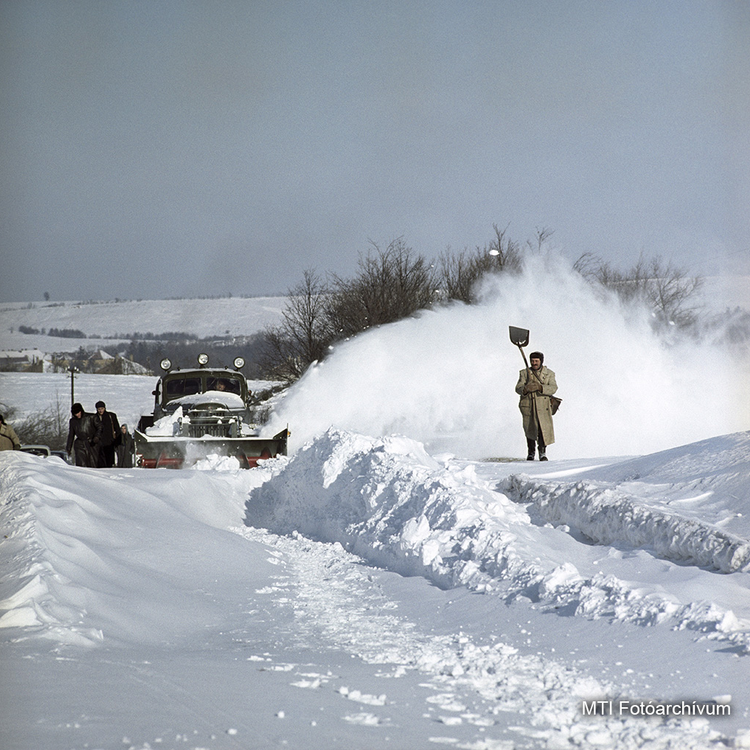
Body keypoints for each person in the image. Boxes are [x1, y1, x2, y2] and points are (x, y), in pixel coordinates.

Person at [514, 350, 558, 461]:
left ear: (541, 361)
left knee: (542, 430)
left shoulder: (549, 374)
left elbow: (553, 388)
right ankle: (531, 453)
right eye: (532, 361)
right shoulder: (524, 373)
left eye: (536, 361)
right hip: (528, 406)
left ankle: (542, 453)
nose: (534, 363)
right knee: (530, 429)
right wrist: (525, 389)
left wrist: (540, 388)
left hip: (543, 406)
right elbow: (518, 388)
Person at [93, 401, 121, 468]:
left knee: (109, 462)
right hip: (98, 444)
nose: (100, 411)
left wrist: (117, 441)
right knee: (100, 463)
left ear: (105, 408)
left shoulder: (111, 416)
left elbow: (117, 429)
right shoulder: (94, 417)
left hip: (109, 443)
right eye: (99, 409)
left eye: (102, 409)